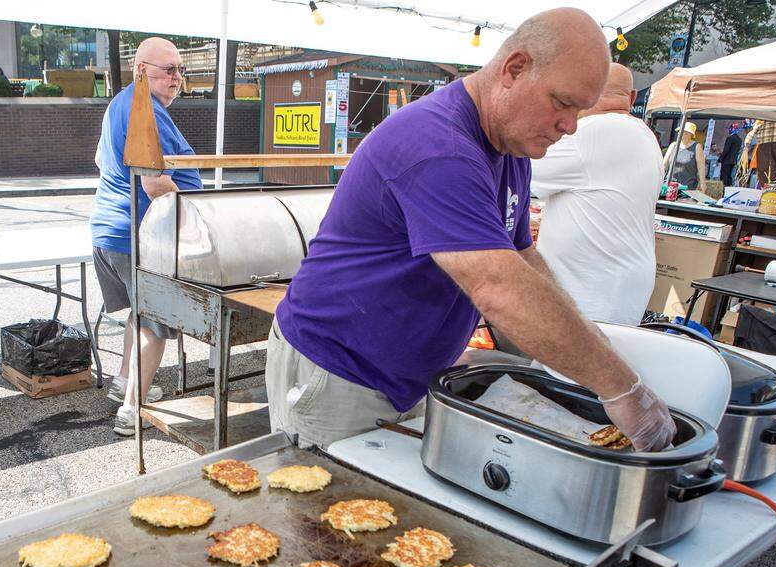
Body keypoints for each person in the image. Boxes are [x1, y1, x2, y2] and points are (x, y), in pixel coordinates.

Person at [266, 8, 675, 453]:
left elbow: (523, 259)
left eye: (580, 109)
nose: (570, 126)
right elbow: (498, 287)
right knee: (327, 497)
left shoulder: (511, 150)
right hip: (338, 372)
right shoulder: (438, 145)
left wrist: (589, 342)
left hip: (409, 376)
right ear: (514, 69)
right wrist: (622, 389)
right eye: (562, 103)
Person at [91, 37, 202, 436]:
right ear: (141, 70)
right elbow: (156, 185)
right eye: (168, 70)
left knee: (140, 313)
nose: (177, 77)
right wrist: (199, 217)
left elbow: (100, 159)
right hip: (137, 235)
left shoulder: (121, 103)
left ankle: (125, 380)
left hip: (108, 231)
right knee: (155, 324)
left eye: (180, 70)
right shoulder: (145, 110)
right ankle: (132, 410)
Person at [530, 63, 662, 326]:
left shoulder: (592, 131)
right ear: (632, 97)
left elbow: (524, 173)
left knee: (570, 351)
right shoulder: (645, 135)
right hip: (618, 280)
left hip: (590, 287)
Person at [662, 121, 706, 190]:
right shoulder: (673, 145)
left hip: (687, 187)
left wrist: (703, 184)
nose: (680, 133)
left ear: (690, 134)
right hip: (669, 186)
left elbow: (701, 167)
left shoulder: (697, 147)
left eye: (684, 131)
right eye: (679, 131)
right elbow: (664, 165)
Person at [752, 120, 776, 186]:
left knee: (766, 168)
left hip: (768, 143)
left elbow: (754, 129)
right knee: (771, 169)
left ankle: (770, 188)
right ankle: (773, 188)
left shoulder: (761, 118)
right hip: (775, 142)